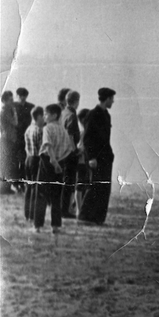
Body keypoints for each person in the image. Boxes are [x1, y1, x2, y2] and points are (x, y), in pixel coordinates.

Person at [34, 104, 74, 234]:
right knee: (56, 196)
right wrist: (60, 160)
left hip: (47, 161)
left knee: (41, 194)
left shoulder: (48, 128)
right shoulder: (63, 130)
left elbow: (47, 144)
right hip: (60, 163)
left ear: (54, 115)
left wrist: (53, 160)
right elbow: (70, 148)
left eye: (46, 114)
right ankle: (55, 225)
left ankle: (38, 225)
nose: (44, 116)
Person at [78, 87, 116, 224]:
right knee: (94, 186)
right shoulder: (93, 115)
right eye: (112, 99)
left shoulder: (106, 115)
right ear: (106, 99)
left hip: (106, 157)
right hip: (96, 159)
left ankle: (98, 218)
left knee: (104, 188)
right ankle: (84, 217)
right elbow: (87, 139)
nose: (113, 101)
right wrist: (92, 157)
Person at [60, 91, 82, 218]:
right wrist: (75, 151)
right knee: (69, 182)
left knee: (65, 181)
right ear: (76, 101)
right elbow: (70, 135)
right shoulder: (72, 116)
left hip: (61, 152)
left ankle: (64, 209)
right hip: (69, 153)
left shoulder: (63, 113)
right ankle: (65, 210)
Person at [23, 106, 45, 220]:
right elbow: (41, 149)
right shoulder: (39, 130)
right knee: (35, 188)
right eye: (43, 116)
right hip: (36, 159)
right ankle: (32, 214)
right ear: (39, 116)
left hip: (28, 159)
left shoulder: (29, 128)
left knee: (28, 187)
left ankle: (27, 213)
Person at [13, 88, 35, 193]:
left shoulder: (31, 107)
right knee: (15, 160)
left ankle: (23, 182)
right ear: (17, 95)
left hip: (27, 137)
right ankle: (16, 184)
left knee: (25, 161)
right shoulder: (12, 106)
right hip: (16, 138)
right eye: (21, 96)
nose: (22, 98)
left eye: (24, 96)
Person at [0, 91, 19, 193]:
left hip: (7, 138)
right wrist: (14, 111)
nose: (12, 102)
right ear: (5, 101)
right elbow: (15, 122)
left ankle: (5, 186)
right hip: (8, 139)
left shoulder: (4, 111)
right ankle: (4, 187)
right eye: (10, 100)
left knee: (7, 162)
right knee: (7, 162)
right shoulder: (5, 111)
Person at [73, 108, 92, 217]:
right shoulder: (84, 133)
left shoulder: (82, 132)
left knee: (82, 186)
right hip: (83, 162)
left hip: (83, 162)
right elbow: (80, 147)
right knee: (80, 186)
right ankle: (79, 210)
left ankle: (79, 209)